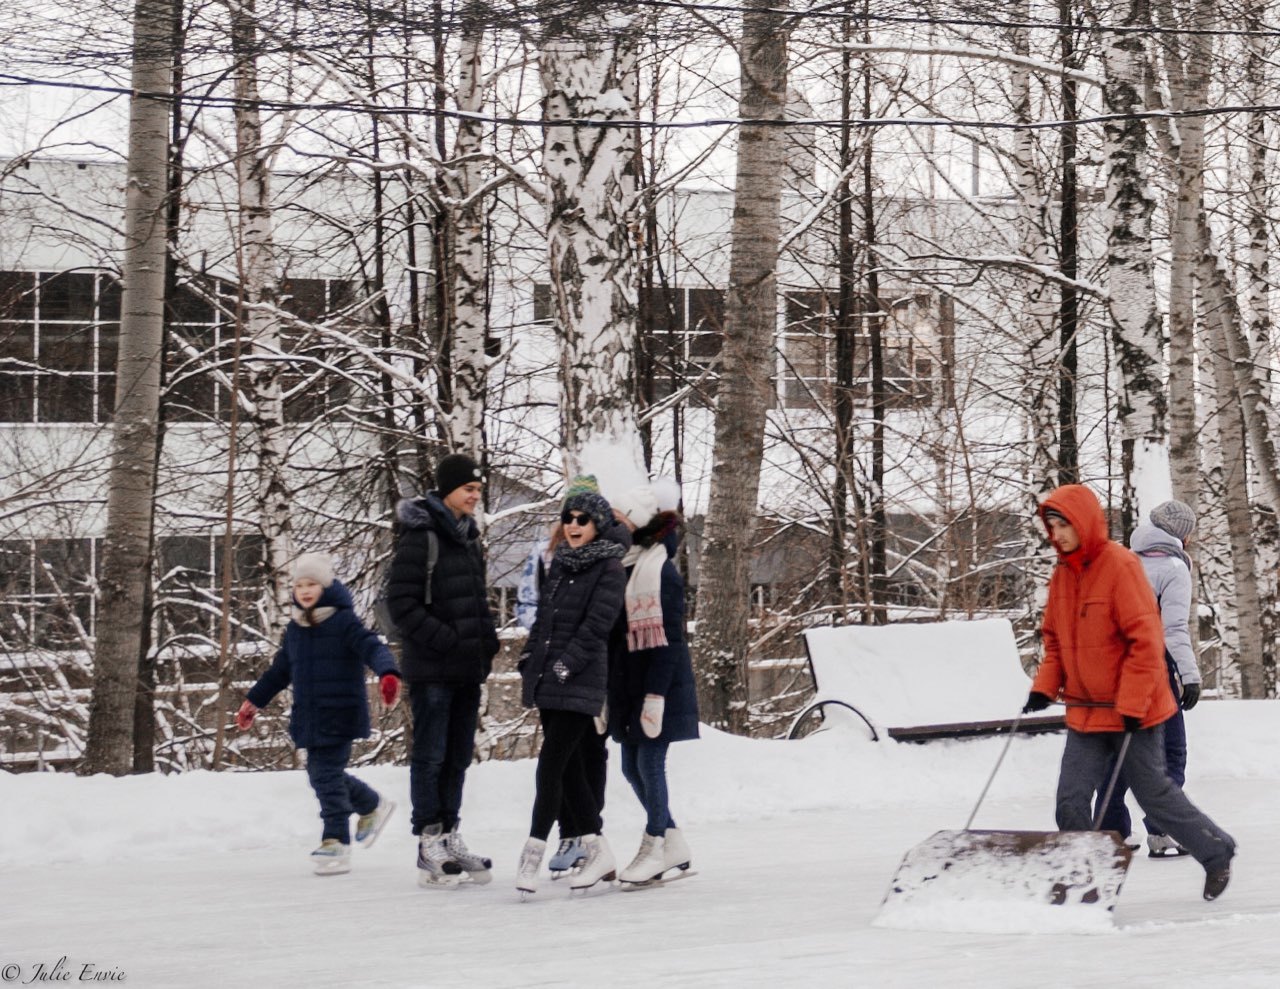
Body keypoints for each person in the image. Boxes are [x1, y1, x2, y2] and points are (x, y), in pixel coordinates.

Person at [1022, 484, 1235, 901]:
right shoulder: (1064, 575)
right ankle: (1083, 878)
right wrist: (1044, 687)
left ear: (1083, 523)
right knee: (1071, 799)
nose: (1058, 534)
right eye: (1052, 526)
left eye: (1064, 524)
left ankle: (1216, 850)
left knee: (1154, 795)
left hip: (1135, 709)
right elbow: (1056, 640)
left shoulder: (1121, 565)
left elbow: (1147, 640)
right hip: (1086, 710)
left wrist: (1135, 703)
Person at [236, 552, 401, 876]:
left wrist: (388, 674)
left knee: (324, 775)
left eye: (312, 584)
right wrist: (254, 701)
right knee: (321, 775)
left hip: (340, 712)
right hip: (310, 715)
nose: (305, 590)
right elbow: (280, 671)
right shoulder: (296, 629)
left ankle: (335, 839)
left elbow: (373, 647)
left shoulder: (343, 621)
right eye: (300, 585)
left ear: (325, 587)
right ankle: (371, 805)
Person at [387, 452, 501, 887]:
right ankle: (428, 839)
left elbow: (476, 602)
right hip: (434, 669)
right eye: (469, 489)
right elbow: (402, 605)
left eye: (478, 490)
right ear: (448, 491)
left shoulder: (468, 537)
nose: (476, 496)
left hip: (466, 670)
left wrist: (485, 644)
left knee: (456, 757)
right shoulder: (421, 536)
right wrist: (447, 641)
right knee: (430, 755)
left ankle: (451, 834)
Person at [515, 486, 628, 897]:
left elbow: (598, 625)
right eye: (568, 518)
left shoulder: (610, 568)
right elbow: (543, 622)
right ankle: (600, 850)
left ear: (597, 524)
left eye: (582, 519)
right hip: (549, 679)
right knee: (573, 771)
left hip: (580, 678)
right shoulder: (560, 564)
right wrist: (530, 660)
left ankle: (532, 851)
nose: (574, 525)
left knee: (550, 765)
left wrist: (567, 664)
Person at [1094, 499, 1202, 856]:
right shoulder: (1173, 567)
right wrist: (1189, 675)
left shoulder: (1120, 562)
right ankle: (1162, 832)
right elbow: (1173, 630)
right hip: (1153, 673)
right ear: (1180, 535)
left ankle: (1109, 835)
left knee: (1121, 754)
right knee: (1170, 753)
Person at [608, 483, 700, 885]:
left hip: (657, 684)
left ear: (637, 523)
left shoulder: (659, 570)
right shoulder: (624, 564)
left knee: (650, 762)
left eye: (618, 520)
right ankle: (673, 838)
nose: (611, 527)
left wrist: (656, 696)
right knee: (631, 766)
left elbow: (670, 641)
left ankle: (655, 842)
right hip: (630, 683)